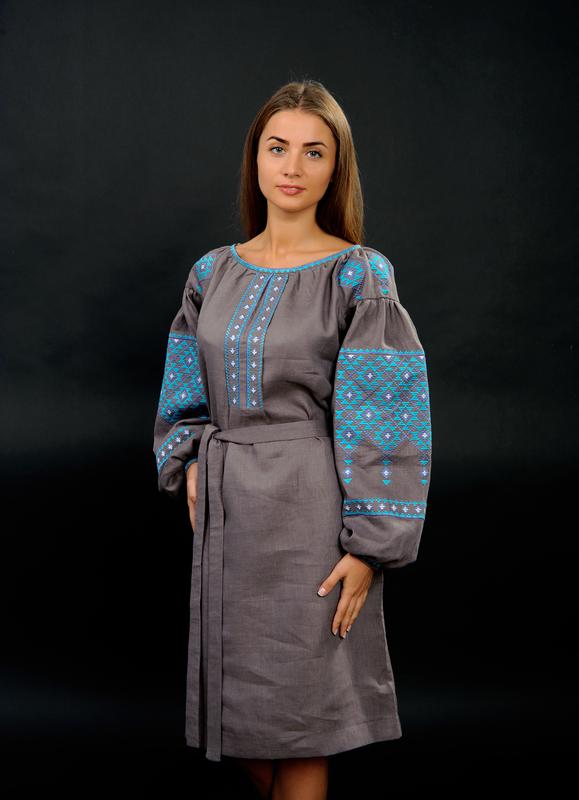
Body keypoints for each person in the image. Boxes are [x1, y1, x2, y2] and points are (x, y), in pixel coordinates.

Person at [152, 79, 433, 800]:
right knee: (241, 716)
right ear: (255, 158)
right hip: (228, 517)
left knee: (304, 722)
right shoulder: (211, 272)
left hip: (312, 514)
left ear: (336, 169)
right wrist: (188, 456)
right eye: (278, 148)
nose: (292, 167)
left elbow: (389, 418)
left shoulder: (359, 274)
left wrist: (370, 548)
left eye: (314, 152)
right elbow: (184, 387)